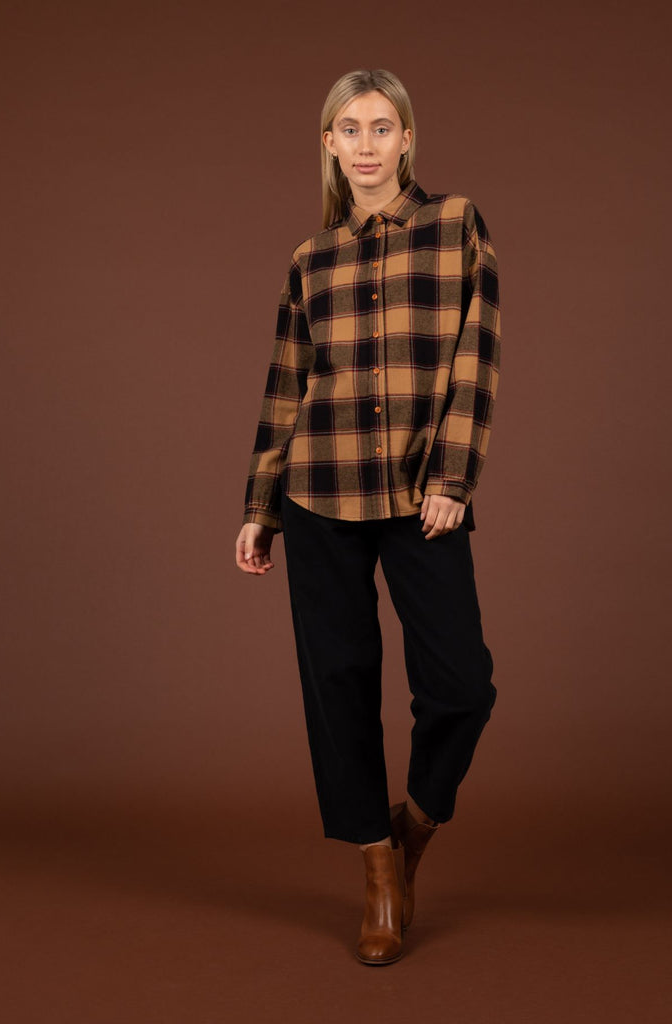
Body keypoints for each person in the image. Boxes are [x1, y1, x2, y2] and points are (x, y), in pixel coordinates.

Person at [235, 68, 501, 966]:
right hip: (319, 489)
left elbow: (475, 357)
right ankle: (377, 866)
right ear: (328, 143)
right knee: (337, 682)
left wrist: (453, 476)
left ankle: (414, 823)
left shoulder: (455, 224)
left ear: (406, 138)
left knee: (461, 686)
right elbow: (286, 385)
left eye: (381, 127)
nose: (365, 145)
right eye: (348, 129)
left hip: (422, 494)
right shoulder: (311, 259)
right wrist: (259, 506)